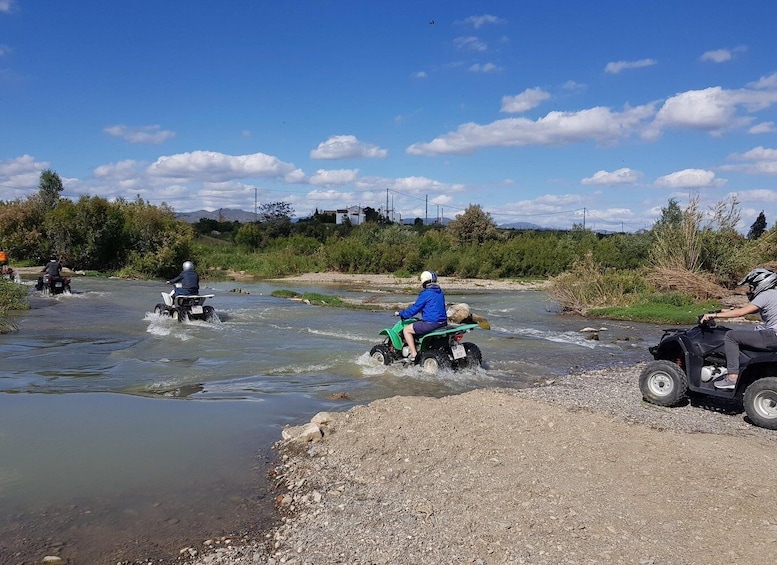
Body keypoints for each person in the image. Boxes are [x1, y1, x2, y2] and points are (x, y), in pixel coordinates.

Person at [701, 267, 777, 389]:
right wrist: (724, 311)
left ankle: (732, 378)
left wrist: (714, 315)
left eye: (752, 286)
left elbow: (740, 313)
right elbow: (751, 310)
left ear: (761, 284)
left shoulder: (765, 295)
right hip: (773, 335)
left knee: (731, 336)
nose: (751, 290)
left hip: (773, 336)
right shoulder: (773, 294)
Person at [395, 270, 447, 362]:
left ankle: (414, 354)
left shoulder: (426, 294)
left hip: (431, 323)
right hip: (443, 323)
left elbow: (415, 309)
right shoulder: (439, 292)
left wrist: (402, 313)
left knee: (406, 330)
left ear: (424, 282)